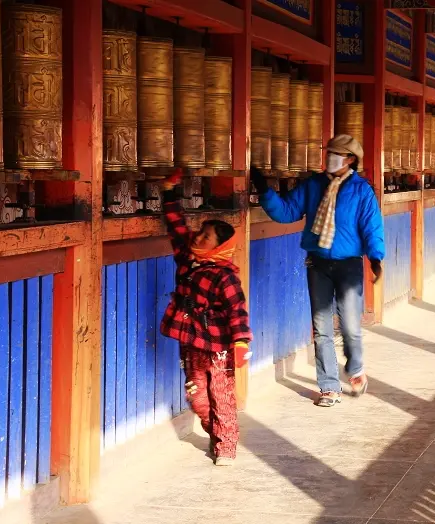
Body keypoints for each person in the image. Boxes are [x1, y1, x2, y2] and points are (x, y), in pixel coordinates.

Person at [250, 134, 385, 408]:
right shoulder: (313, 186)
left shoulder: (361, 191)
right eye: (329, 153)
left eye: (337, 154)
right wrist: (264, 190)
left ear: (350, 160)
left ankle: (356, 368)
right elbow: (287, 212)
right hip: (318, 263)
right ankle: (329, 386)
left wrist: (376, 257)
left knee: (349, 324)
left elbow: (372, 226)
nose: (330, 158)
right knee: (322, 328)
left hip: (349, 264)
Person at [159, 169, 253, 466]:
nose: (197, 236)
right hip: (191, 344)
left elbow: (237, 311)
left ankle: (227, 446)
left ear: (219, 246)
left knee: (220, 394)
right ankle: (218, 433)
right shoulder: (189, 259)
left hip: (219, 347)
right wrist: (170, 191)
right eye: (199, 232)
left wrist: (240, 343)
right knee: (197, 397)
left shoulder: (225, 277)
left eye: (205, 236)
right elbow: (176, 227)